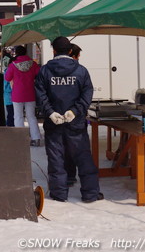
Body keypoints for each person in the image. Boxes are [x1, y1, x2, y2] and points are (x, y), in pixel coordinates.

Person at [35, 36, 102, 203]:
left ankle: (59, 194)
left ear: (54, 51)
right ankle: (90, 193)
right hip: (76, 122)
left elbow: (40, 95)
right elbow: (87, 93)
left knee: (56, 157)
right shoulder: (81, 71)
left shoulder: (44, 71)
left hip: (53, 122)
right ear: (71, 51)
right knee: (83, 157)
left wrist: (50, 112)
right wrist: (74, 111)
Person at [4, 45, 42, 146]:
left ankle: (20, 140)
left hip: (17, 94)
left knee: (18, 117)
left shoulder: (13, 65)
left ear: (16, 53)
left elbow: (7, 78)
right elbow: (40, 75)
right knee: (31, 117)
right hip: (30, 94)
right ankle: (36, 138)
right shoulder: (33, 64)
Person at [66, 43, 83, 186]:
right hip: (75, 116)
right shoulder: (81, 71)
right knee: (75, 148)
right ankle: (71, 176)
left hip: (58, 116)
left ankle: (63, 178)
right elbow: (86, 94)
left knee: (60, 149)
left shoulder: (49, 69)